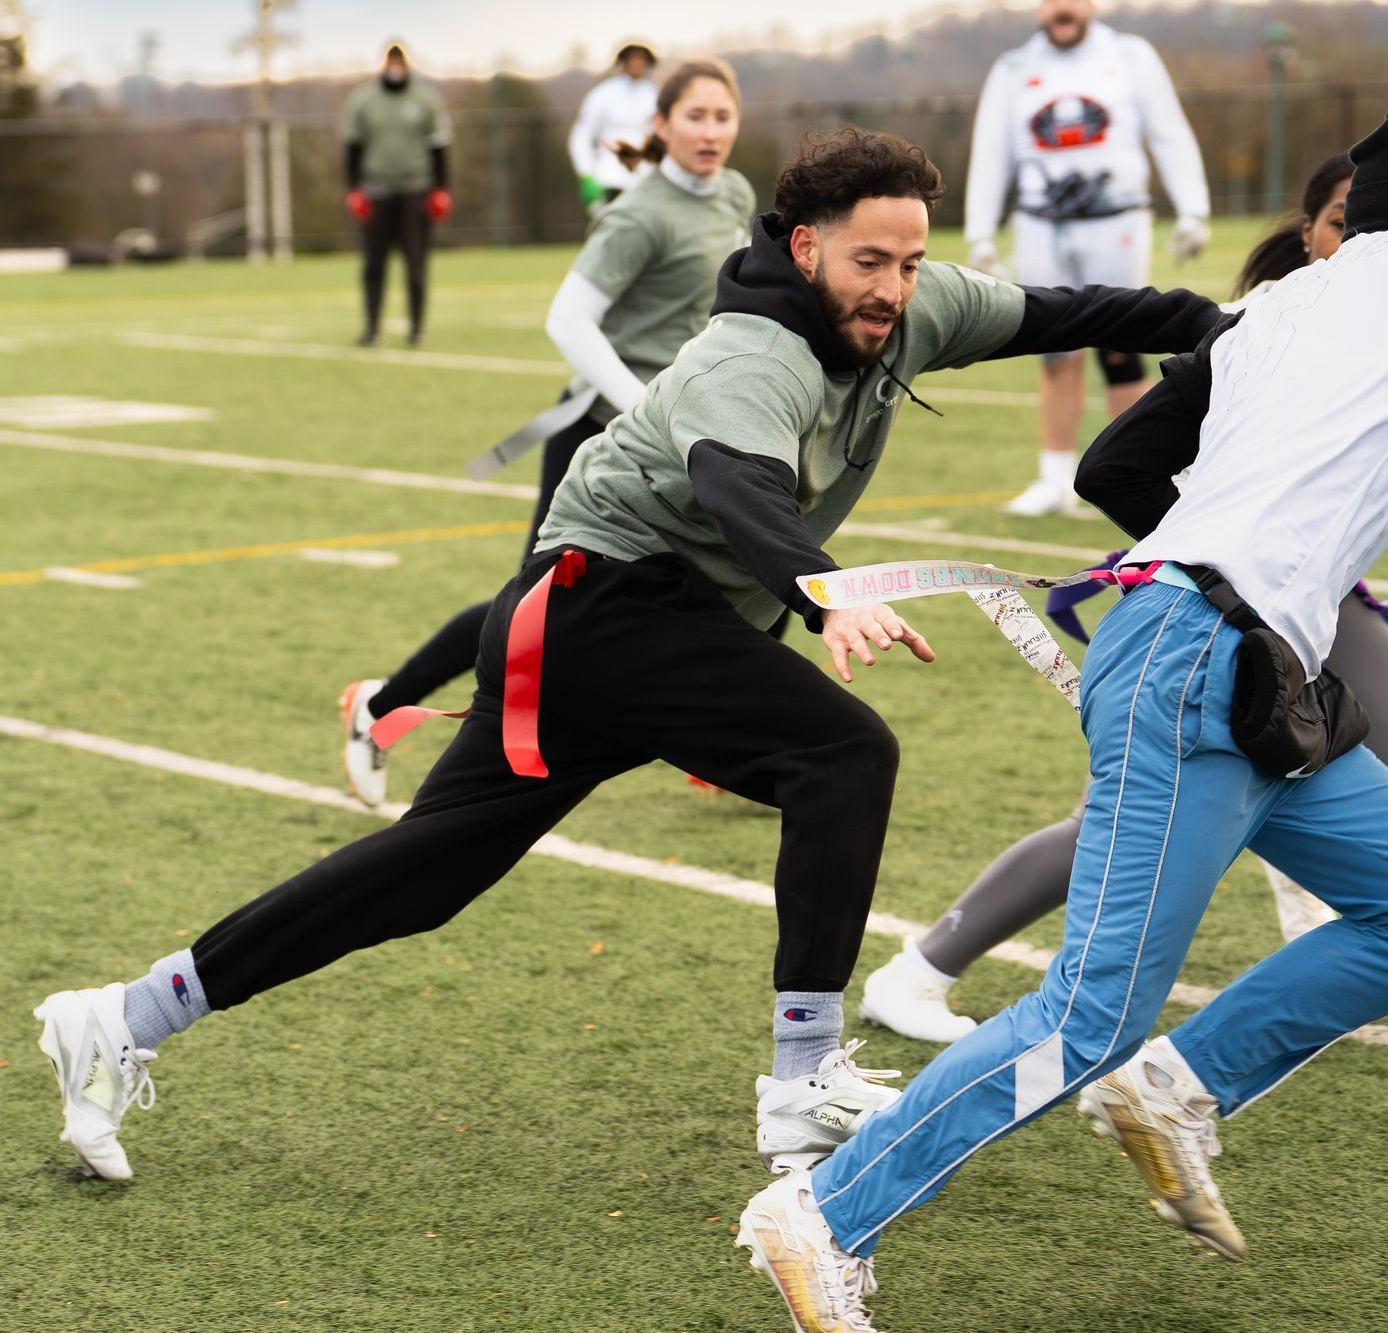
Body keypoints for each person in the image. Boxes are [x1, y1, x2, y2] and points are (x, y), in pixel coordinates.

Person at [32, 125, 1220, 1187]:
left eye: (912, 263)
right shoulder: (750, 355)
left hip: (620, 620)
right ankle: (803, 1075)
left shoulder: (914, 304)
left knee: (427, 874)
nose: (896, 290)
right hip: (605, 608)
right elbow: (739, 487)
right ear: (806, 246)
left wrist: (1233, 323)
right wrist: (823, 596)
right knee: (843, 754)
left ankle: (124, 1014)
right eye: (872, 262)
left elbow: (1079, 311)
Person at [738, 98, 1388, 1329]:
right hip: (1201, 659)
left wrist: (1218, 540)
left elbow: (1112, 466)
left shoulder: (1281, 305)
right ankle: (823, 1213)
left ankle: (1181, 1090)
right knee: (1084, 1018)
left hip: (1245, 662)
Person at [860, 151, 1388, 1042]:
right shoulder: (1265, 323)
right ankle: (920, 968)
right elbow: (1129, 462)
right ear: (1309, 235)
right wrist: (1221, 559)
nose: (1365, 244)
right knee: (1133, 823)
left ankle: (1305, 910)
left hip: (1324, 605)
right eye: (1343, 222)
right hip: (1205, 607)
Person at [339, 59, 753, 805]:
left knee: (743, 572)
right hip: (603, 442)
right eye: (695, 116)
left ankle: (729, 745)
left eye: (723, 116)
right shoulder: (639, 213)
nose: (711, 131)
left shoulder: (737, 196)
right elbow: (567, 319)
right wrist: (643, 408)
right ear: (660, 126)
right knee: (532, 607)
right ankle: (381, 706)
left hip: (686, 440)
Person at [965, 0, 1212, 517]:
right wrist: (982, 228)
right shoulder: (1014, 68)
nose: (1064, 6)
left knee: (1124, 345)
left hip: (1114, 217)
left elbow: (1167, 131)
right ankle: (1054, 477)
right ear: (1039, 7)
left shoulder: (1128, 56)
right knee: (1051, 347)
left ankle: (1147, 466)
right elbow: (992, 152)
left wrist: (1192, 207)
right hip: (1041, 220)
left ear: (1092, 2)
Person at [339, 42, 452, 348]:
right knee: (373, 265)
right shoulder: (364, 100)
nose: (395, 68)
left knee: (415, 264)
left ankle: (416, 329)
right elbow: (352, 147)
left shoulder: (425, 99)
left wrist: (442, 188)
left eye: (399, 63)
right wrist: (354, 190)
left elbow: (439, 147)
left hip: (416, 191)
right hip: (376, 191)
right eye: (391, 62)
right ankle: (372, 328)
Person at [568, 41, 660, 213]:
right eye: (632, 59)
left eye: (641, 60)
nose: (637, 65)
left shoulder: (656, 96)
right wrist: (586, 173)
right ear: (623, 63)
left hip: (646, 177)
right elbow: (581, 135)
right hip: (610, 176)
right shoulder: (603, 94)